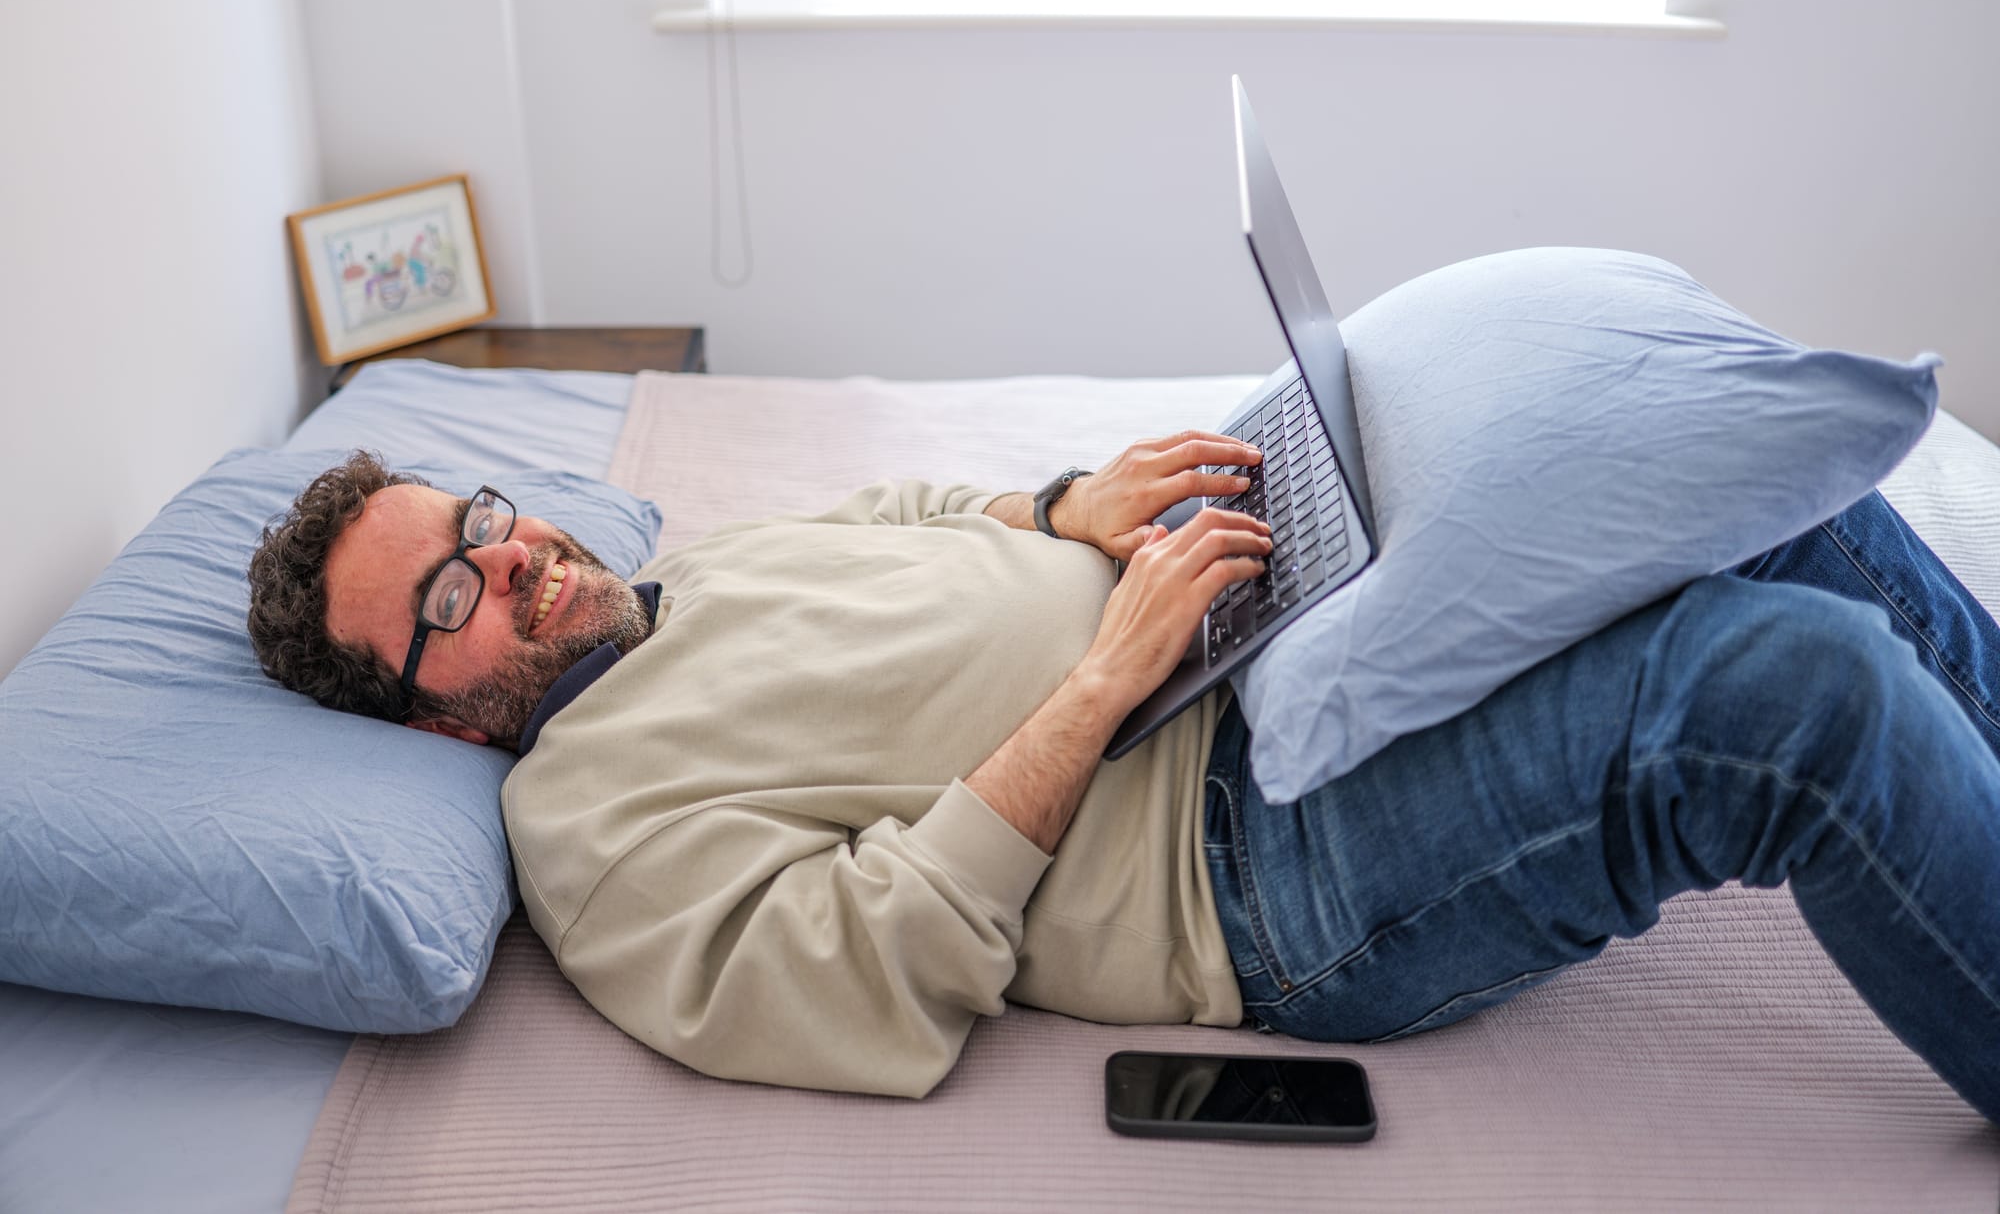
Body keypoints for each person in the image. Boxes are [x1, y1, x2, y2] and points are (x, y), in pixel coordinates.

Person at [245, 432, 2000, 1121]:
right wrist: (1105, 675)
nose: (512, 557)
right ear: (434, 722)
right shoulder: (582, 824)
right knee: (1789, 686)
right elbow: (859, 977)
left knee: (1750, 479)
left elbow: (908, 516)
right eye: (449, 598)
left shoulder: (686, 571)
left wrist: (1060, 508)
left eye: (482, 520)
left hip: (1251, 641)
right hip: (1260, 862)